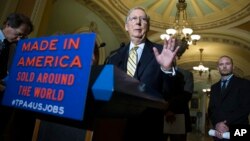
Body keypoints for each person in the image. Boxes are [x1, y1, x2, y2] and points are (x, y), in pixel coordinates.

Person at [106, 6, 179, 141]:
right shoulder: (114, 56)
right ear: (127, 26)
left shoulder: (161, 53)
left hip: (149, 126)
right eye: (134, 18)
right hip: (116, 125)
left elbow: (169, 93)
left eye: (143, 19)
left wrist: (167, 69)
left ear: (148, 26)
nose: (138, 22)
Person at [0, 13, 34, 141]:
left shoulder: (13, 47)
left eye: (23, 37)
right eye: (18, 34)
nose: (20, 39)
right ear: (8, 25)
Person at [208, 55, 250, 140]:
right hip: (218, 133)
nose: (224, 66)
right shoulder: (214, 87)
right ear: (217, 68)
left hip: (238, 131)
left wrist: (226, 124)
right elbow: (211, 109)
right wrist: (217, 124)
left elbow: (246, 108)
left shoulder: (245, 84)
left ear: (233, 67)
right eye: (221, 64)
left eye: (227, 63)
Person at [163, 65, 193, 141]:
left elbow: (187, 95)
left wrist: (171, 109)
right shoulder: (157, 72)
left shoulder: (186, 74)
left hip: (179, 116)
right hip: (160, 115)